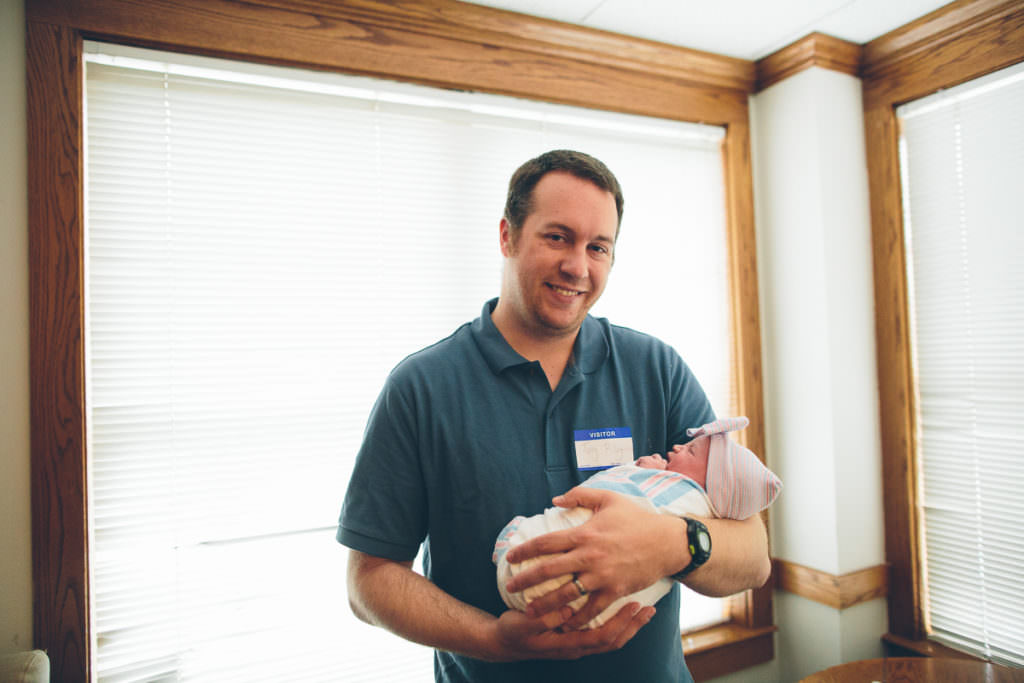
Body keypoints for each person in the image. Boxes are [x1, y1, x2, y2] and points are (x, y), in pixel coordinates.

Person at [337, 149, 771, 683]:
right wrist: (493, 641)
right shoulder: (421, 388)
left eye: (598, 247)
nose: (577, 267)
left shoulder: (655, 369)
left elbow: (753, 557)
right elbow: (369, 580)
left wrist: (670, 544)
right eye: (558, 237)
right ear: (508, 236)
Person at [494, 416, 782, 630]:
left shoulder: (663, 371)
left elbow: (757, 563)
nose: (678, 447)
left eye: (691, 451)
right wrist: (491, 640)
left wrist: (670, 543)